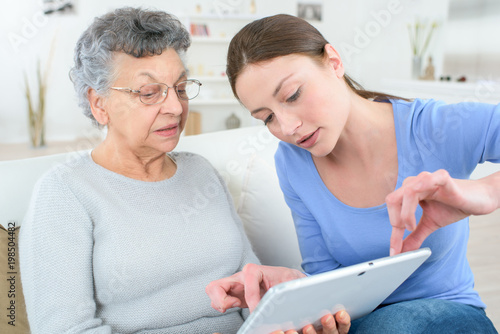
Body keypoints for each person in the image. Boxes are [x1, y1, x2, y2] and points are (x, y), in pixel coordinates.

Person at [19, 7, 340, 334]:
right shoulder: (65, 193)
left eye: (181, 88)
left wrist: (290, 322)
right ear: (98, 104)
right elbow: (65, 329)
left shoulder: (200, 172)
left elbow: (250, 289)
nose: (175, 107)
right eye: (149, 92)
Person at [206, 14, 499, 333]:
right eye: (267, 118)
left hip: (448, 317)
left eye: (292, 95)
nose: (288, 128)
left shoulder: (433, 127)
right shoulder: (293, 162)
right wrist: (297, 289)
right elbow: (327, 278)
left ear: (333, 62)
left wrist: (487, 191)